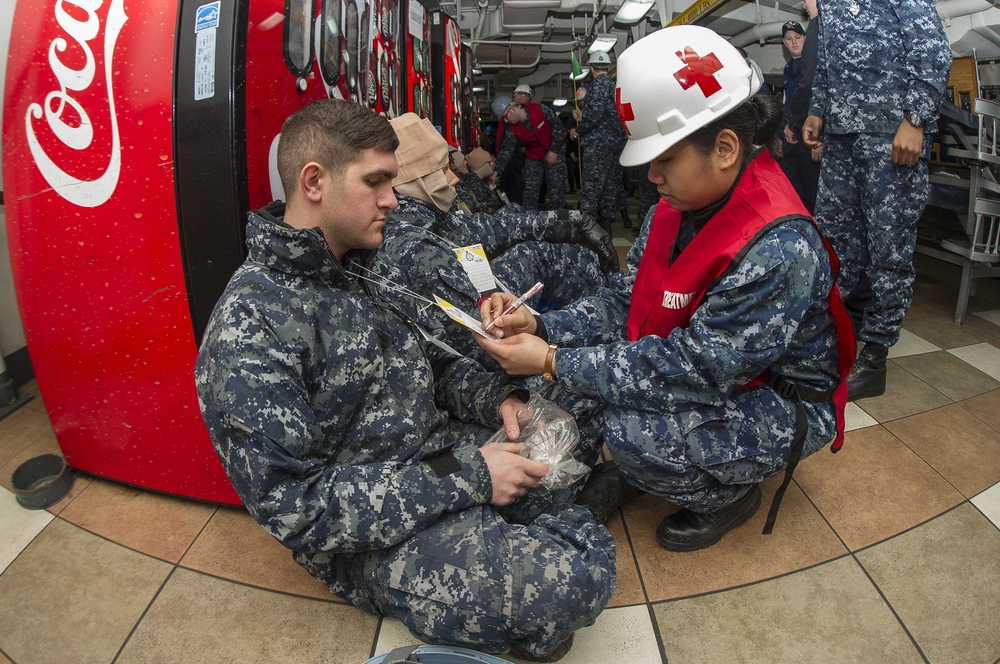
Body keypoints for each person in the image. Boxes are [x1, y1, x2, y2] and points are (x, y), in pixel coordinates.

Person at [194, 99, 616, 662]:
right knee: (568, 582)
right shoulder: (250, 327)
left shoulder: (362, 265)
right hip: (368, 526)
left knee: (574, 411)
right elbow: (298, 508)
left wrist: (500, 404)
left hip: (433, 457)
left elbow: (432, 367)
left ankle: (515, 526)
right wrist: (471, 478)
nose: (393, 200)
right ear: (314, 181)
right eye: (376, 182)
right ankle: (516, 539)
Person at [475, 26, 855, 553]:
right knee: (563, 398)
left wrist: (554, 359)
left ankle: (728, 496)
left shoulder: (778, 246)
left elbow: (697, 369)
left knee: (629, 431)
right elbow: (627, 299)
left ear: (724, 149)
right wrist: (542, 326)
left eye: (664, 158)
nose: (651, 173)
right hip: (713, 371)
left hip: (775, 399)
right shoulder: (670, 209)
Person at [802, 0, 951, 400]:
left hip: (890, 136)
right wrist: (817, 110)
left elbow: (933, 48)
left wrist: (915, 119)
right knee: (834, 242)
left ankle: (876, 354)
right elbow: (828, 65)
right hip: (841, 138)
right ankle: (833, 340)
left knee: (889, 246)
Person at [573, 51, 629, 233]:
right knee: (608, 186)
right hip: (614, 144)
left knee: (591, 187)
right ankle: (605, 231)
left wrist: (580, 126)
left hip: (598, 145)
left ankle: (588, 233)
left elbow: (595, 115)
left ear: (591, 68)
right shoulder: (613, 85)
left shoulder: (598, 86)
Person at [493, 94, 568, 211]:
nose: (506, 121)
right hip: (533, 154)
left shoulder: (539, 109)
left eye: (505, 117)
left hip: (553, 149)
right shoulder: (511, 128)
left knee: (556, 187)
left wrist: (553, 150)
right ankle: (529, 220)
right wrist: (497, 171)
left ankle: (558, 221)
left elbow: (558, 127)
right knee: (530, 189)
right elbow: (507, 149)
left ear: (512, 109)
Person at [779, 17, 822, 213]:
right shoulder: (788, 69)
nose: (794, 42)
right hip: (791, 137)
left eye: (798, 37)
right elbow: (788, 102)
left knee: (813, 192)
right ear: (784, 43)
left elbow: (819, 101)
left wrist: (817, 140)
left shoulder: (813, 64)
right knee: (794, 191)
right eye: (789, 38)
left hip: (809, 137)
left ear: (807, 38)